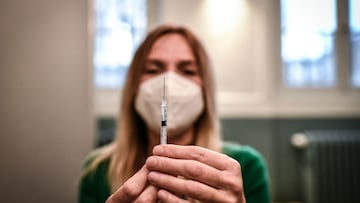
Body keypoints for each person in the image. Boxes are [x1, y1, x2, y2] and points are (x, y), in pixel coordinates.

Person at [79, 24, 270, 203]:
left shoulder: (241, 168)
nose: (169, 82)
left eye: (187, 71)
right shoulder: (98, 171)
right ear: (134, 87)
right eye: (153, 69)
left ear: (205, 90)